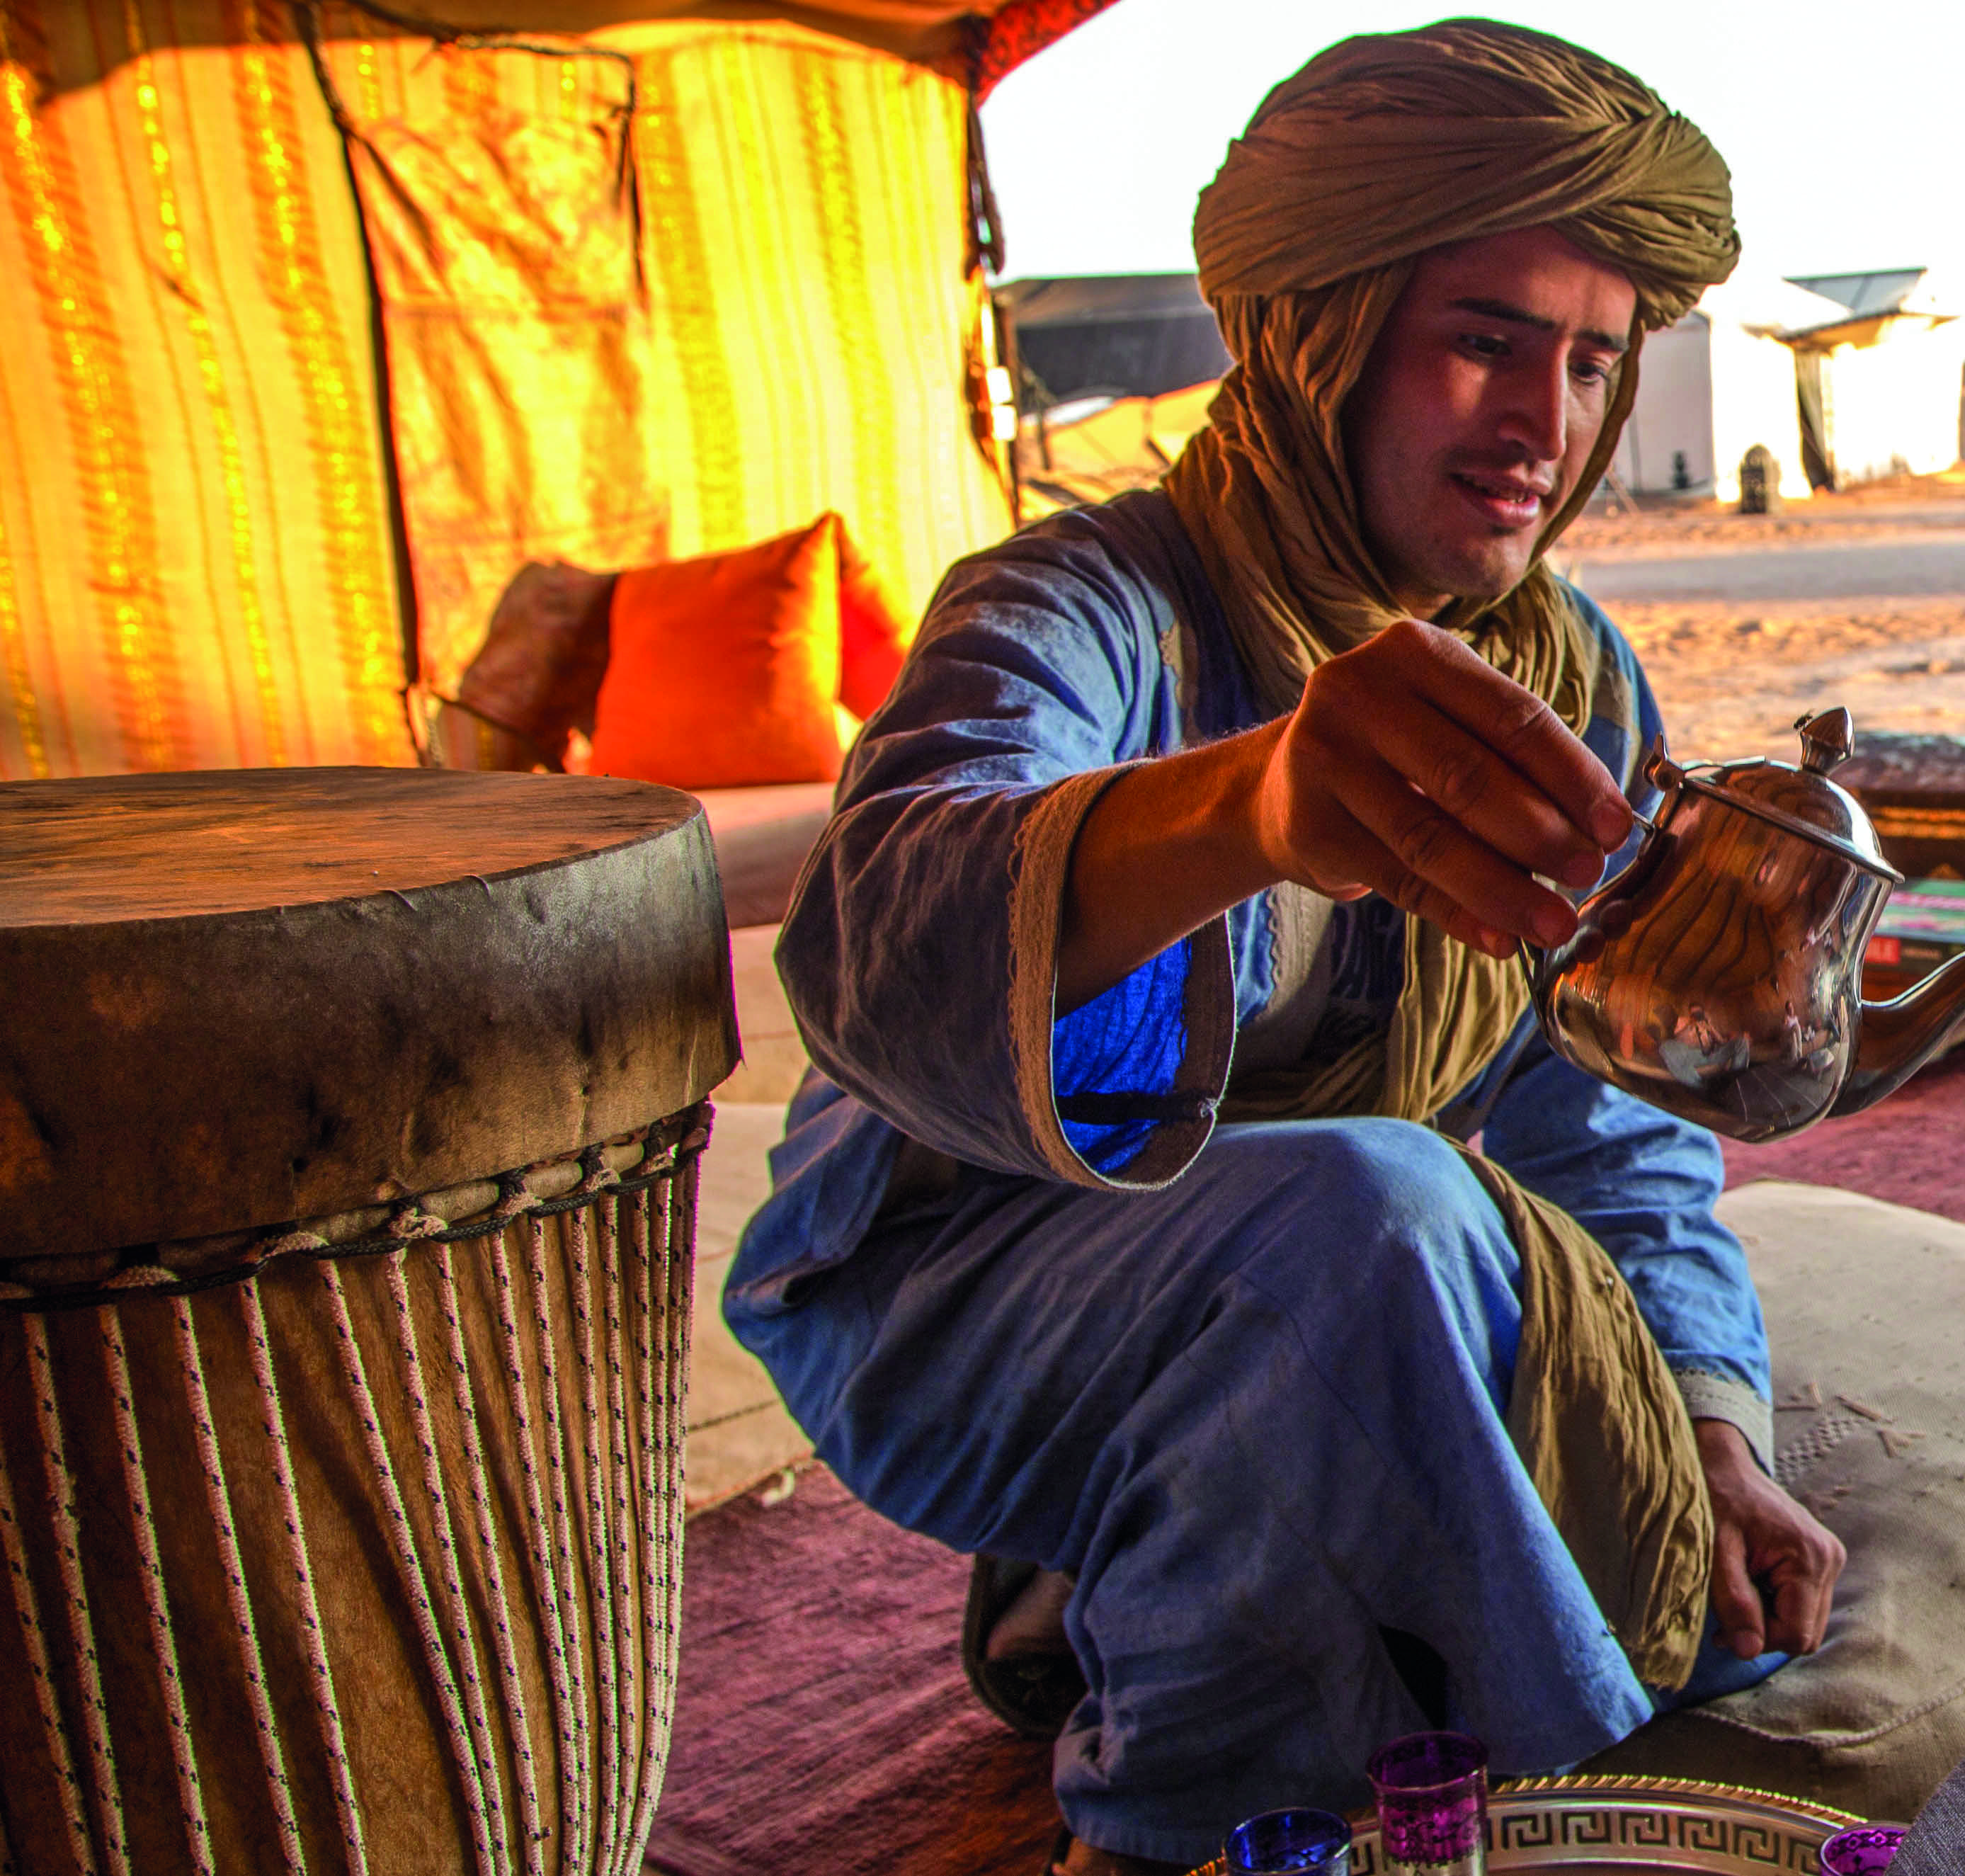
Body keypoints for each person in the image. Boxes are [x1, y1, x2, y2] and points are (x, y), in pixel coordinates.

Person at [725, 21, 1846, 1871]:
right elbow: (883, 934)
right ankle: (1176, 1827)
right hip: (943, 1294)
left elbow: (1607, 1109)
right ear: (1324, 339)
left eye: (1585, 361)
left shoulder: (1561, 673)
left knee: (1556, 1377)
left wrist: (1713, 1428)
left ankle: (1139, 1570)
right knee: (1385, 1216)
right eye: (1482, 339)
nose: (1540, 423)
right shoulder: (1080, 602)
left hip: (1259, 1282)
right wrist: (1250, 806)